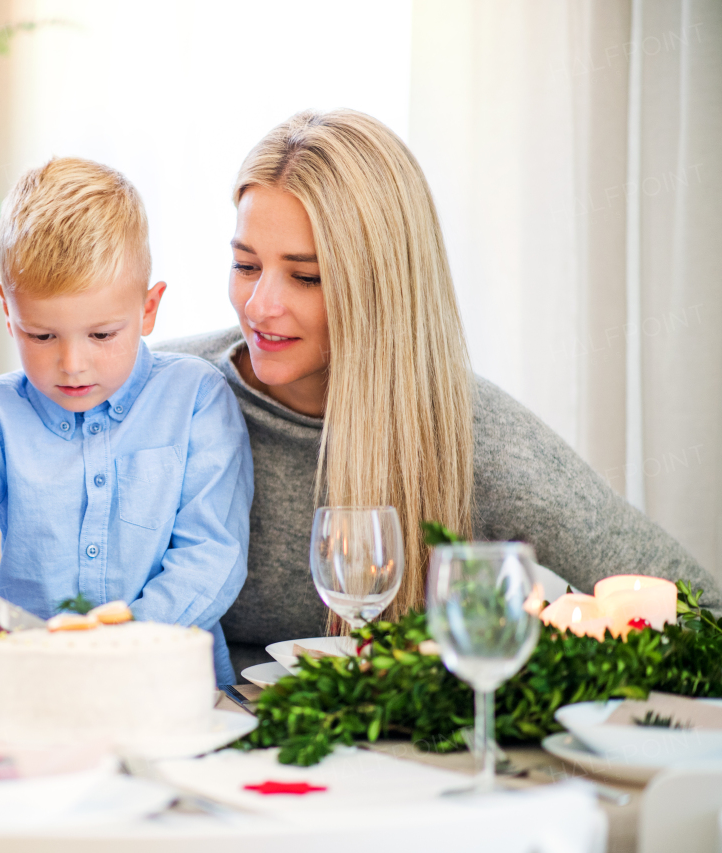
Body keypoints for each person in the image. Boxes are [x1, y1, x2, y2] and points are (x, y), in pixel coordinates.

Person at [158, 109, 721, 675]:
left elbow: (704, 617)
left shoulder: (472, 434)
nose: (259, 306)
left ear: (382, 282)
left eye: (307, 277)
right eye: (245, 264)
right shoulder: (163, 392)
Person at [0, 158, 254, 685]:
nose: (72, 364)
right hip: (32, 691)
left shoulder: (196, 399)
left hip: (170, 687)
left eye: (102, 335)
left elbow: (212, 556)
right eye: (41, 336)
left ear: (149, 309)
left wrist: (120, 639)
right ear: (9, 313)